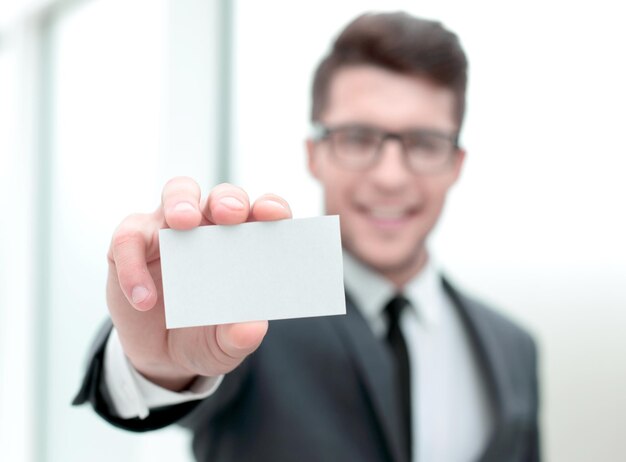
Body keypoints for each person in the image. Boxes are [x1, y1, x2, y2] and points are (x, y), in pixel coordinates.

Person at [74, 11, 540, 462]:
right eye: (358, 138)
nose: (391, 177)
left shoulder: (513, 348)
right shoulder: (251, 307)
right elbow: (165, 366)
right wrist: (153, 362)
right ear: (315, 155)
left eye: (424, 143)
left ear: (456, 164)